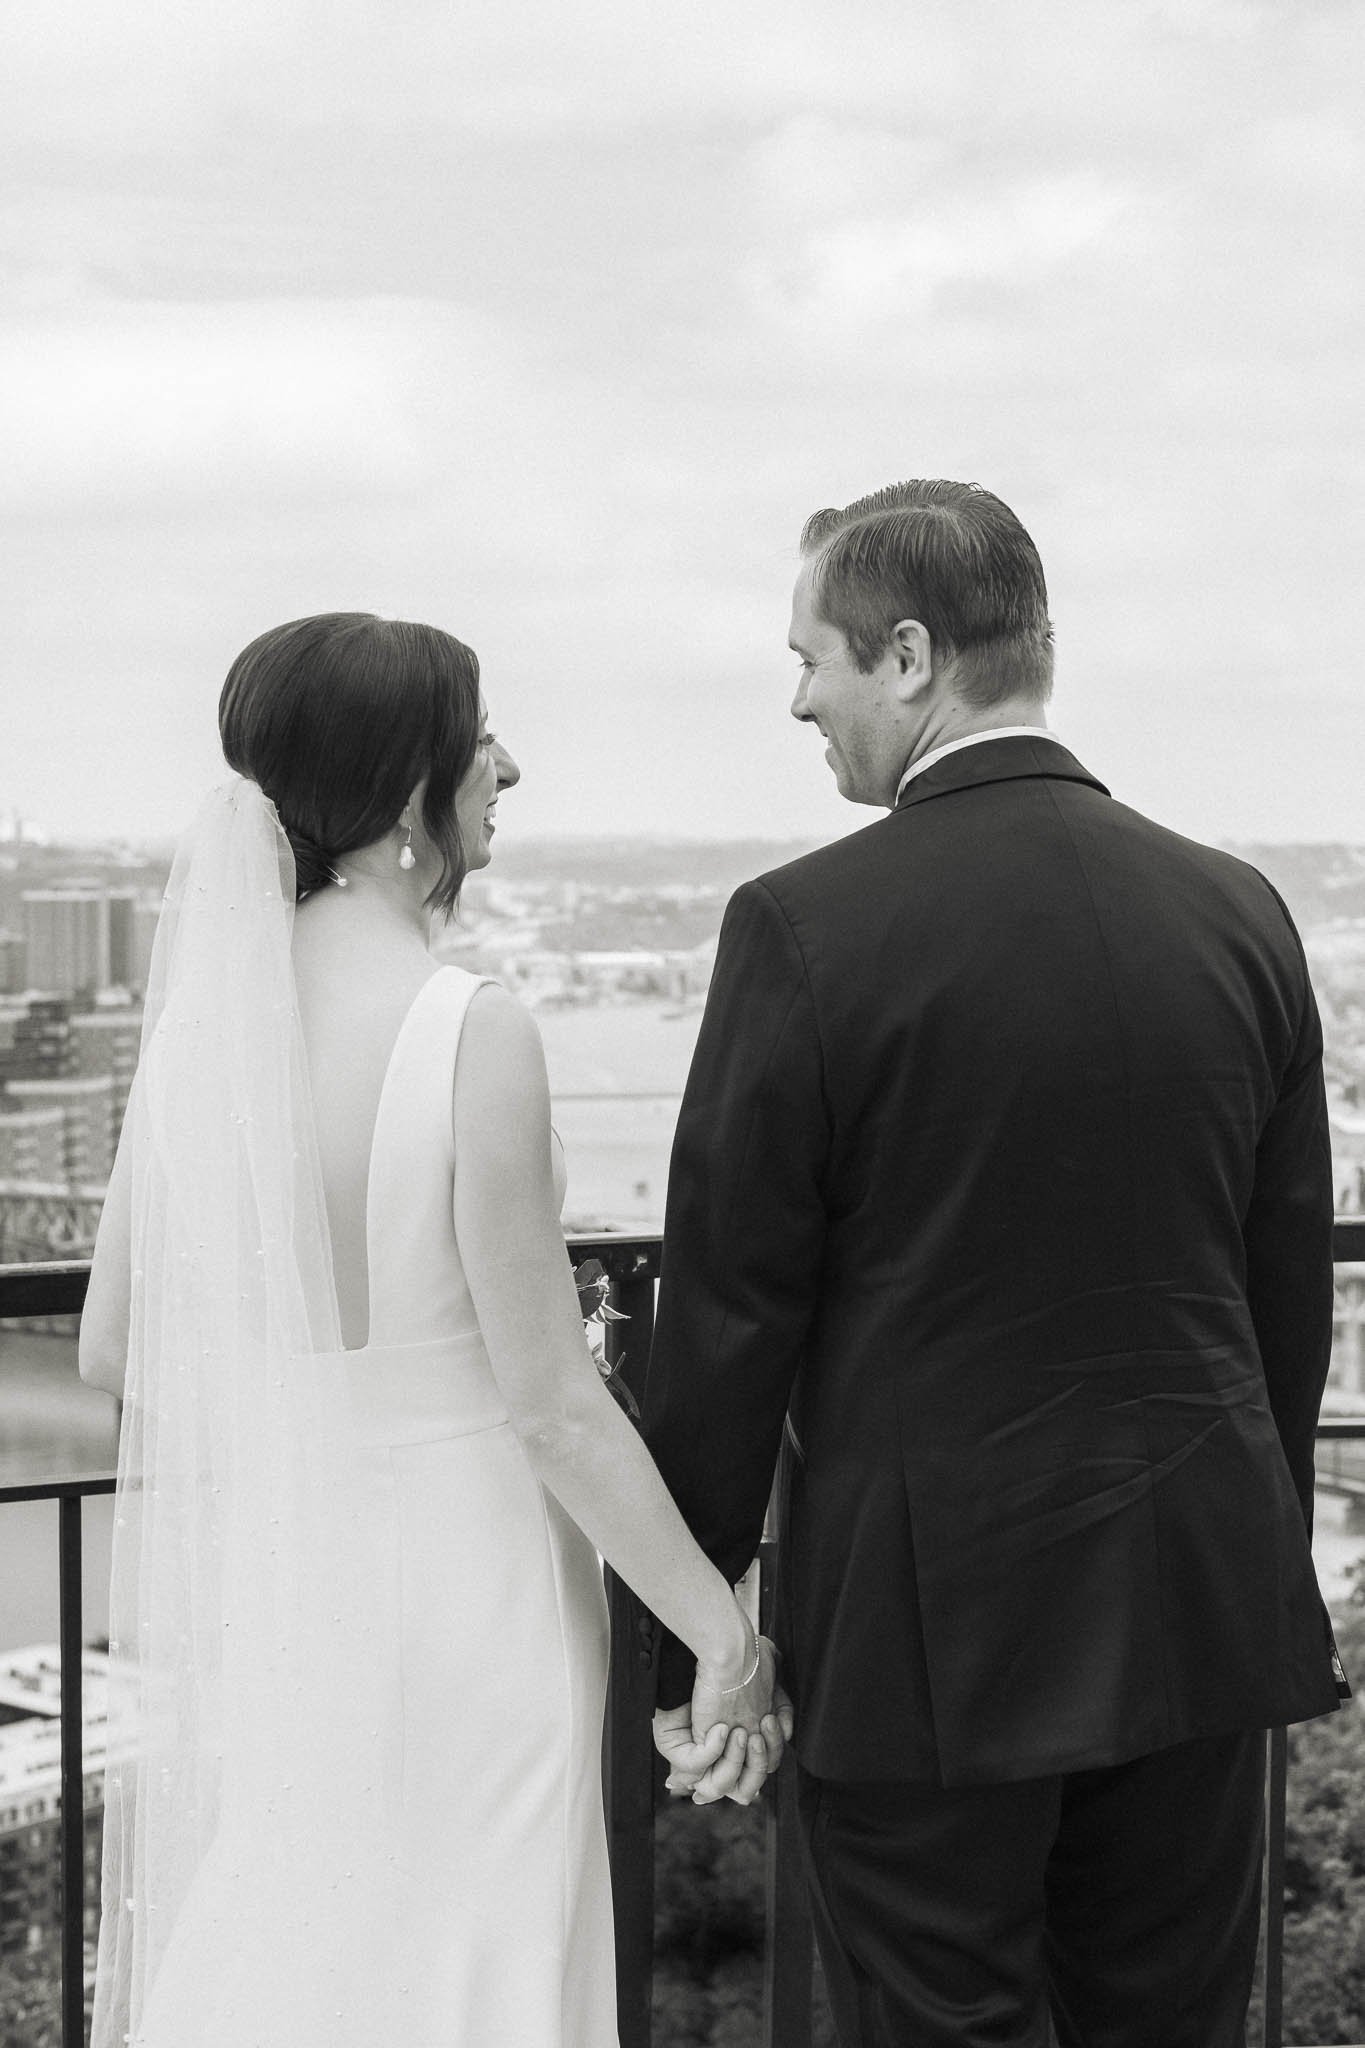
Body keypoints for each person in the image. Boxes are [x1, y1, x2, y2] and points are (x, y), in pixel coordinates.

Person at [642, 482, 1346, 2048]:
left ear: (906, 656)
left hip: (928, 1639)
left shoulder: (804, 927)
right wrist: (1247, 1536)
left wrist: (697, 1629)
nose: (797, 699)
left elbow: (730, 1314)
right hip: (1195, 1603)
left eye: (810, 657)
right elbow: (1281, 1299)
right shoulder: (1239, 913)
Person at [79, 612, 788, 2048]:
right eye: (482, 741)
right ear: (412, 791)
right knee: (478, 1956)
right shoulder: (468, 1025)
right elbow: (548, 1406)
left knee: (315, 1940)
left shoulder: (210, 1030)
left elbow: (110, 1348)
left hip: (298, 1591)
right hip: (476, 1600)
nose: (508, 767)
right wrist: (722, 1639)